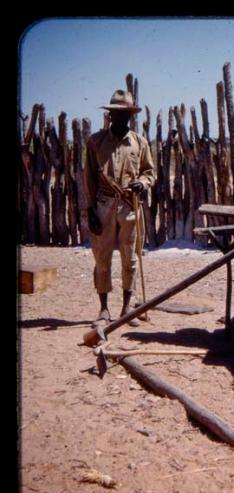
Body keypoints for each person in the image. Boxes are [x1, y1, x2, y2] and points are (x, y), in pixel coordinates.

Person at [84, 90, 155, 327]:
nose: (120, 117)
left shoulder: (140, 142)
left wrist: (142, 183)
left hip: (130, 206)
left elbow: (149, 172)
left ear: (131, 116)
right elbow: (89, 179)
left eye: (125, 114)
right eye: (116, 113)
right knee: (101, 258)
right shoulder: (96, 142)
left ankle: (126, 308)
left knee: (130, 258)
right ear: (110, 114)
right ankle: (103, 309)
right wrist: (90, 210)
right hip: (103, 206)